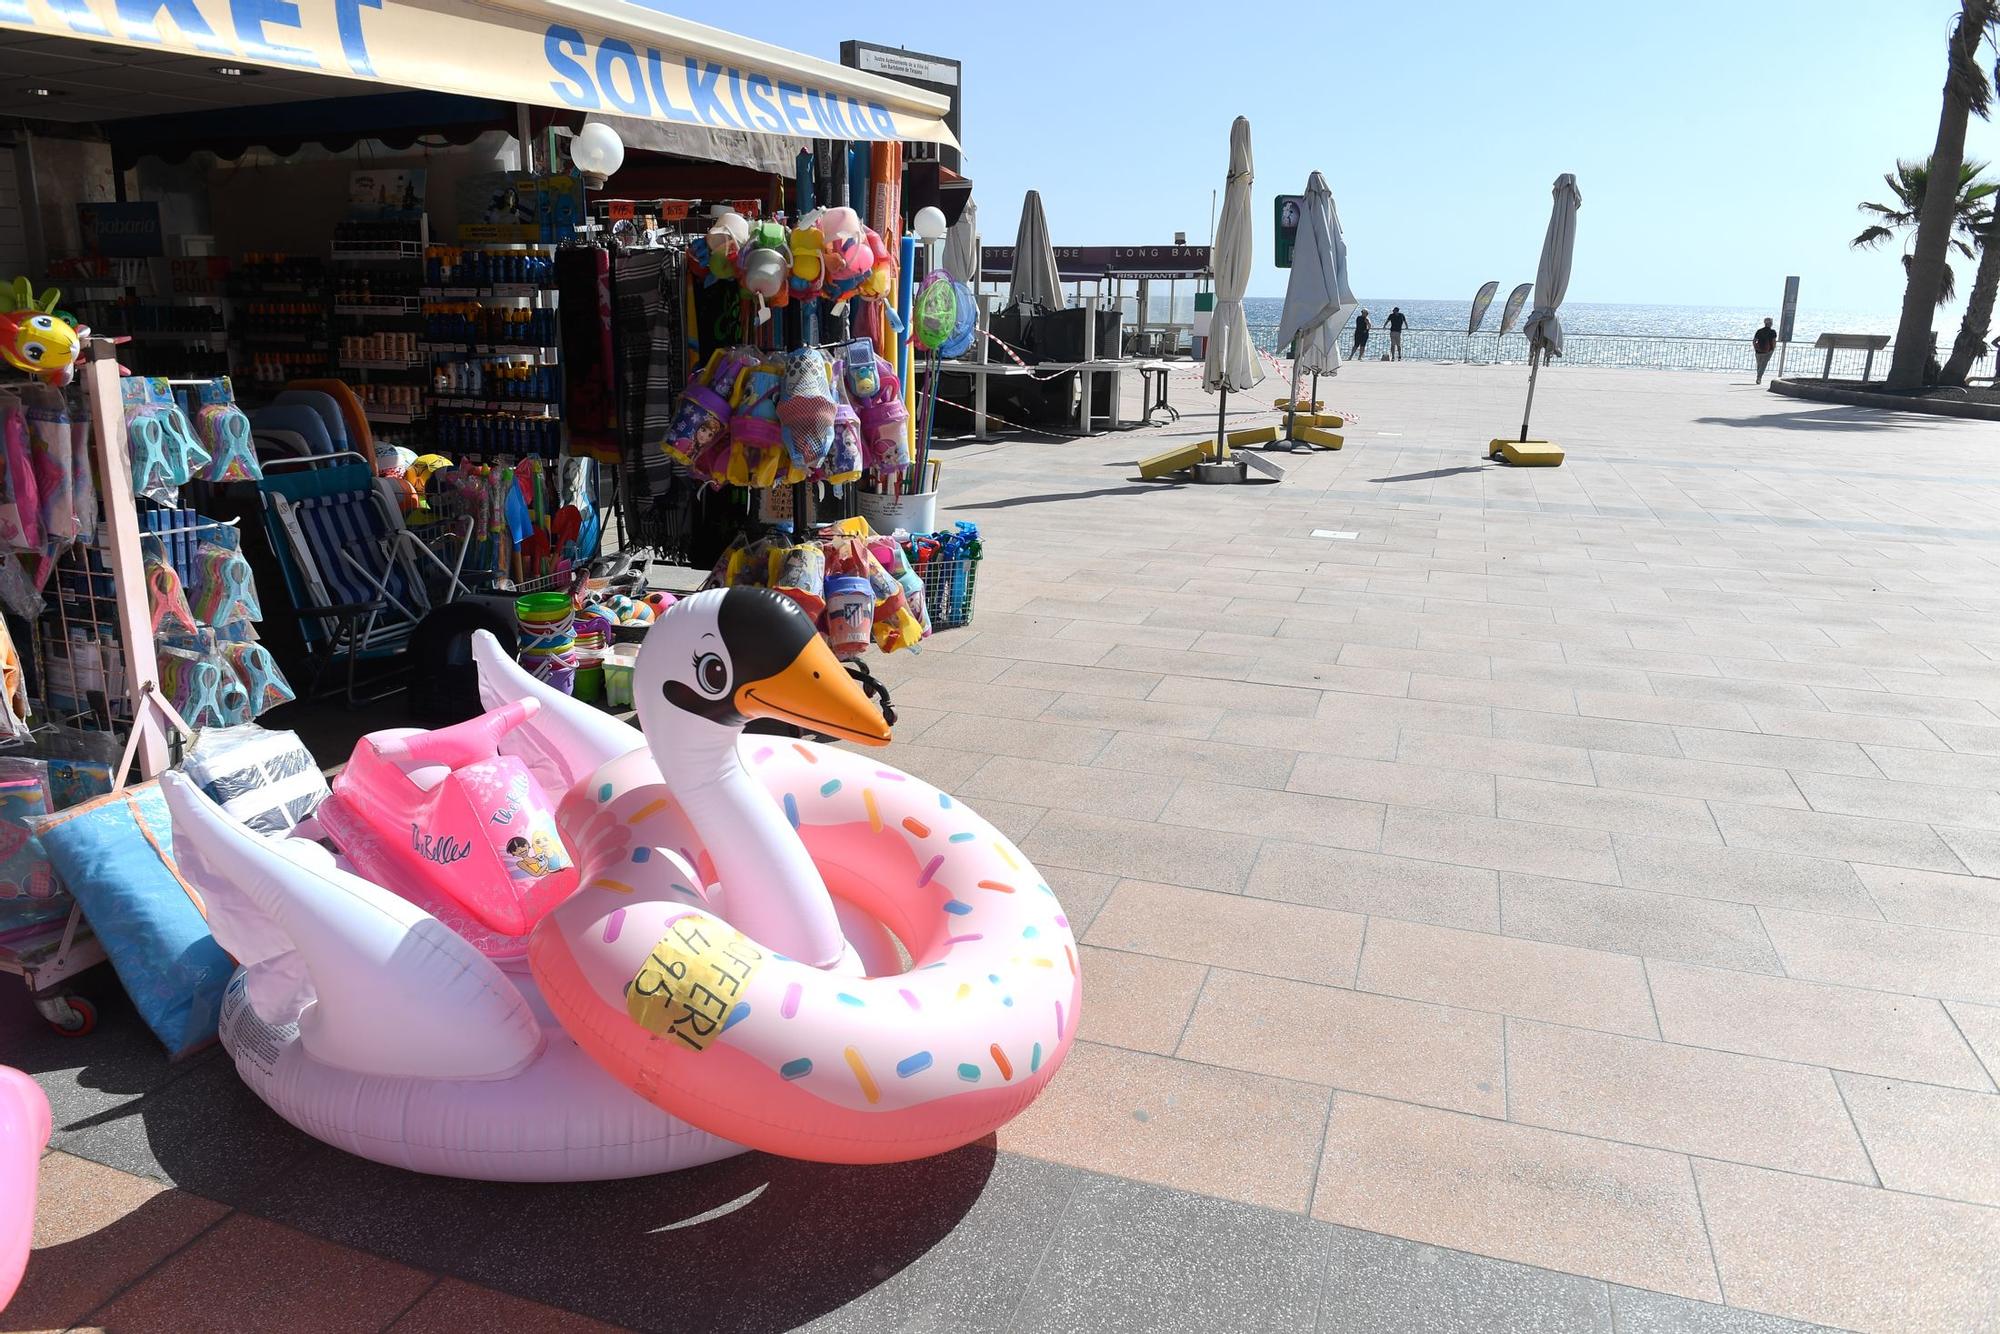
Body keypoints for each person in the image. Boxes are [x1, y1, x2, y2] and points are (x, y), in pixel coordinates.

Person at [1752, 317, 1778, 383]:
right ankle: (1759, 378)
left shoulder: (1759, 331)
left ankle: (1758, 377)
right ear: (1770, 324)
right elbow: (1773, 341)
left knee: (1759, 365)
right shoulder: (1772, 332)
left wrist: (1756, 348)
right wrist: (1773, 349)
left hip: (1758, 351)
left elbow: (1754, 341)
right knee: (1763, 365)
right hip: (1768, 351)